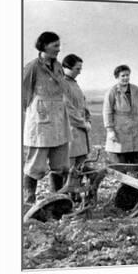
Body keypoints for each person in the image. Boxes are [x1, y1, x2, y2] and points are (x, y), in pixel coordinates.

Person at [22, 32, 71, 206]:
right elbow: (22, 94)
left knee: (61, 165)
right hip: (40, 123)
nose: (59, 49)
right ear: (44, 46)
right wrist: (34, 112)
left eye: (59, 45)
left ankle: (57, 199)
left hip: (59, 121)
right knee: (36, 165)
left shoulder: (58, 66)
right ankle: (28, 202)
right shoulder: (32, 67)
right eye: (55, 46)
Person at [102, 65, 138, 164]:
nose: (126, 78)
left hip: (134, 129)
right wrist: (110, 130)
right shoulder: (112, 92)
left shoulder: (136, 90)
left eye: (127, 75)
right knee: (120, 159)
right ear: (117, 77)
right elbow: (107, 111)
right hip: (119, 129)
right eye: (123, 76)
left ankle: (134, 177)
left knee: (135, 158)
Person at [61, 53, 91, 174]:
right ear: (66, 68)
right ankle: (60, 193)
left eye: (80, 69)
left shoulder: (74, 84)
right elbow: (67, 109)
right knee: (66, 168)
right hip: (69, 132)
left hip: (80, 133)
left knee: (79, 167)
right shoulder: (61, 84)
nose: (79, 72)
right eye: (77, 69)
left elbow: (84, 106)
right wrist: (83, 123)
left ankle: (74, 192)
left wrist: (88, 121)